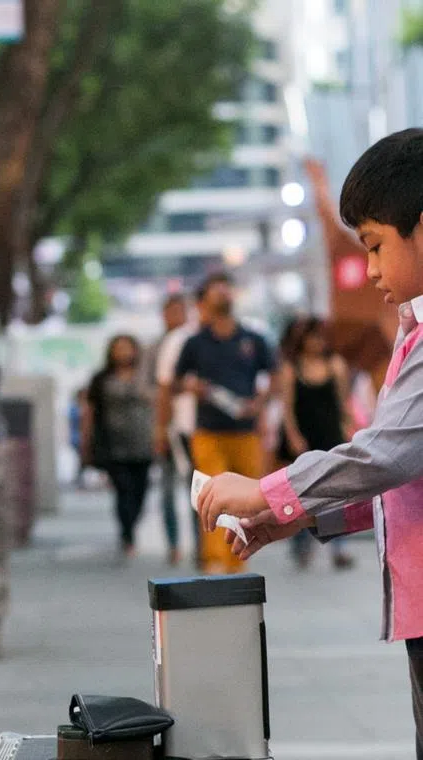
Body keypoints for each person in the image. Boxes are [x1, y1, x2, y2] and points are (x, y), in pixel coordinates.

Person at [197, 128, 423, 759]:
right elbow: (403, 473)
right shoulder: (411, 332)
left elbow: (387, 455)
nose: (369, 269)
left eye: (375, 246)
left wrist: (271, 489)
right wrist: (290, 515)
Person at [174, 272, 275, 574]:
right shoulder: (194, 342)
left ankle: (236, 562)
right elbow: (178, 382)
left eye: (226, 288)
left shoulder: (253, 339)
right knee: (213, 494)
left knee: (247, 500)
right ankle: (214, 559)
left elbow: (275, 375)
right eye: (216, 290)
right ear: (204, 301)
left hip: (246, 432)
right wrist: (192, 387)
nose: (223, 294)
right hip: (208, 431)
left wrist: (260, 403)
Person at [274, 316, 355, 570]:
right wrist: (293, 435)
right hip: (304, 436)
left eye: (320, 336)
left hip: (331, 434)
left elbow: (343, 402)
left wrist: (349, 428)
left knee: (336, 492)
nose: (317, 342)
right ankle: (301, 544)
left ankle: (339, 548)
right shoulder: (291, 368)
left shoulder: (335, 365)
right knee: (300, 492)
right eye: (312, 337)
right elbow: (286, 408)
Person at [81, 335, 154, 559]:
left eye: (127, 348)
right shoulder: (101, 379)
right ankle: (127, 534)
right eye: (118, 348)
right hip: (113, 444)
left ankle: (131, 525)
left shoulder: (146, 377)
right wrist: (86, 441)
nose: (123, 353)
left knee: (141, 491)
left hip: (142, 442)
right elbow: (90, 411)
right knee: (123, 490)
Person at [148, 293, 189, 565]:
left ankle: (201, 545)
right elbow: (149, 386)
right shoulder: (154, 347)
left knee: (196, 490)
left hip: (191, 424)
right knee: (166, 490)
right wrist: (159, 427)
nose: (175, 316)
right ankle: (173, 544)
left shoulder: (194, 341)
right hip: (166, 425)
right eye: (170, 311)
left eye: (179, 310)